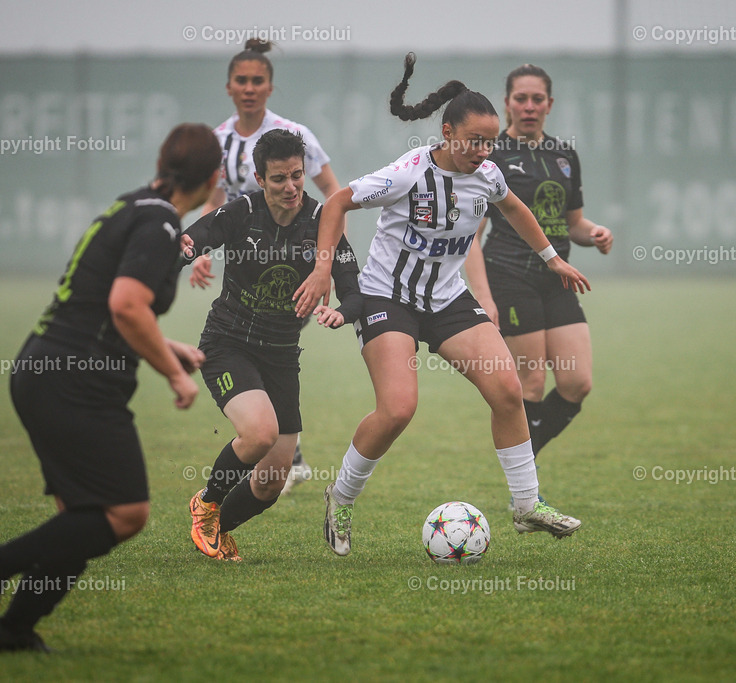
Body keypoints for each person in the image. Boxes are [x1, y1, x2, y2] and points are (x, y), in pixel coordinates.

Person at [294, 53, 590, 557]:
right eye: (474, 140)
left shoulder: (488, 173)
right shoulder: (408, 174)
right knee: (398, 409)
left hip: (448, 300)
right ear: (448, 133)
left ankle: (526, 505)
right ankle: (340, 498)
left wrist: (552, 259)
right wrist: (322, 267)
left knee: (507, 390)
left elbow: (514, 208)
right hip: (388, 297)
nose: (483, 150)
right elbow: (338, 201)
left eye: (490, 141)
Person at [0, 124, 221, 652]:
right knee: (124, 512)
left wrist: (166, 348)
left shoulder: (130, 206)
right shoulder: (161, 225)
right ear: (215, 179)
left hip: (44, 367)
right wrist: (171, 375)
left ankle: (13, 631)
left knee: (80, 518)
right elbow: (125, 305)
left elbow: (102, 304)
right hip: (75, 380)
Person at [184, 129, 362, 562]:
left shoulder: (323, 221)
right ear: (260, 180)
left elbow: (355, 289)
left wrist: (343, 312)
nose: (291, 187)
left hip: (281, 355)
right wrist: (179, 250)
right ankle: (206, 503)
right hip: (229, 343)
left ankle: (218, 528)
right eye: (279, 178)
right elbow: (192, 240)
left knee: (271, 482)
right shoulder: (241, 212)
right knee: (260, 433)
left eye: (297, 176)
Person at [202, 37, 344, 491]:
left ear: (270, 87)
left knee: (276, 330)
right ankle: (281, 445)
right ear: (228, 87)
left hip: (293, 265)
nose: (249, 88)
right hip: (246, 268)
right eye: (241, 81)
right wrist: (200, 255)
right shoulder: (218, 140)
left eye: (257, 81)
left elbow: (334, 197)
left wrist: (328, 262)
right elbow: (216, 201)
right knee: (257, 333)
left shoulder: (292, 136)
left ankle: (282, 443)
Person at [464, 64, 612, 483]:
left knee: (577, 383)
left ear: (550, 104)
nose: (529, 107)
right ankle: (524, 488)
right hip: (509, 276)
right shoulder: (491, 156)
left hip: (557, 278)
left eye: (537, 99)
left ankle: (522, 461)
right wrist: (485, 296)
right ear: (508, 102)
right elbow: (471, 237)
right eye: (520, 98)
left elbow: (574, 224)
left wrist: (595, 233)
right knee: (530, 383)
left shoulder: (564, 155)